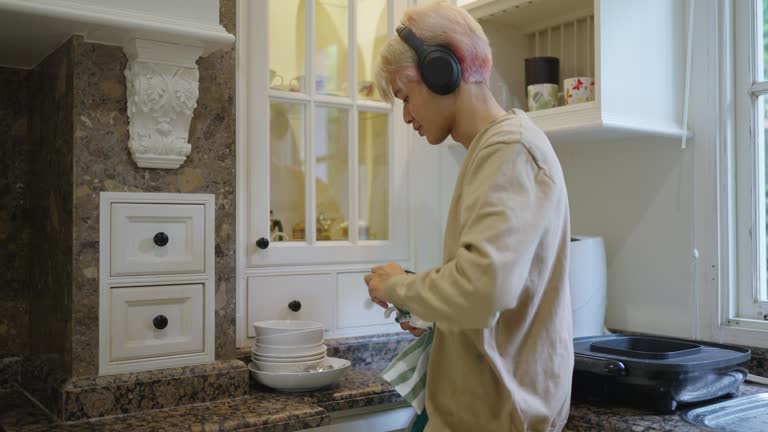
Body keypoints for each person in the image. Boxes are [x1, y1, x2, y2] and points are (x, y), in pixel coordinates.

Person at [363, 2, 574, 431]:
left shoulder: (510, 149)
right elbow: (494, 294)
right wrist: (434, 315)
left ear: (444, 70)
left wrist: (398, 287)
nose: (405, 116)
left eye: (406, 96)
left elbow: (483, 290)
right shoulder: (491, 150)